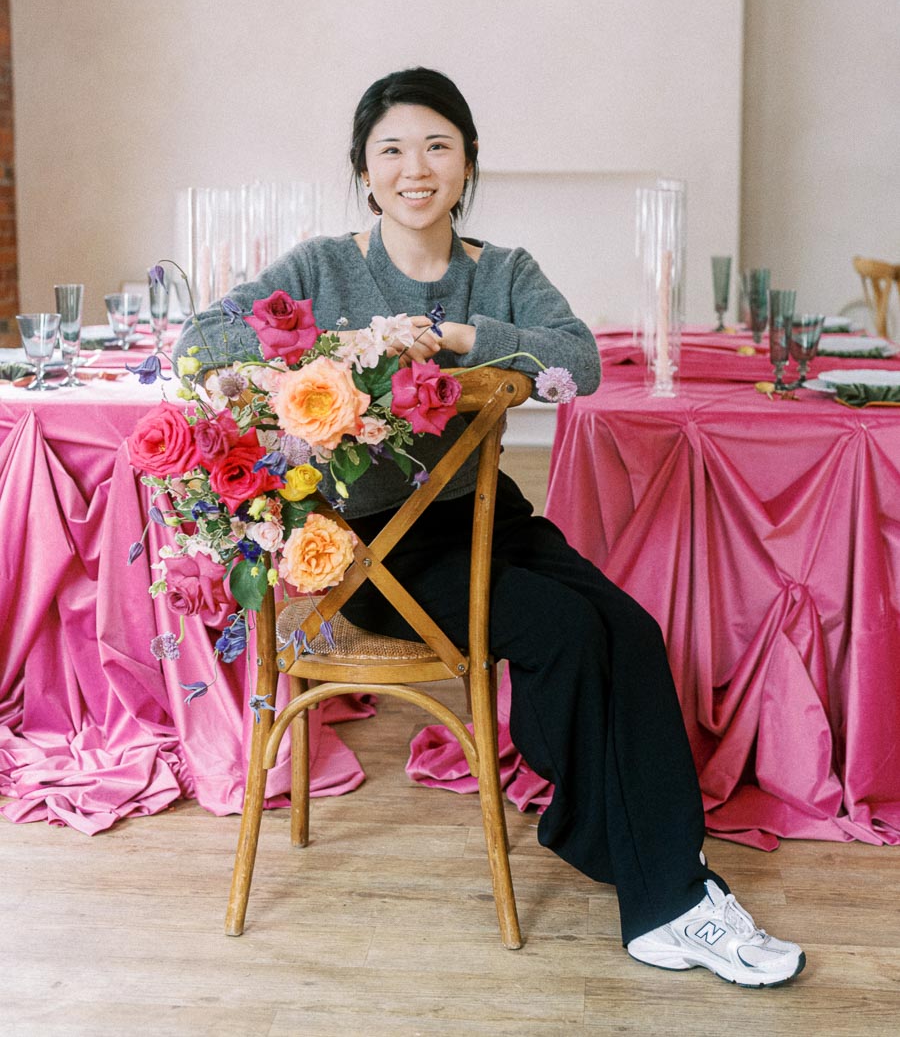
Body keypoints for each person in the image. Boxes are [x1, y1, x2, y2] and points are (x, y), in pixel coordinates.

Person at [176, 67, 805, 988]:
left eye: (438, 146)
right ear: (364, 169)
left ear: (468, 163)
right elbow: (202, 342)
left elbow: (579, 361)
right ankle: (668, 900)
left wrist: (460, 339)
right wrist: (347, 350)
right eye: (392, 150)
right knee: (563, 630)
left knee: (630, 629)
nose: (415, 168)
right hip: (375, 554)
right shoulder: (320, 266)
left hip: (487, 522)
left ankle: (639, 856)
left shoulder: (502, 271)